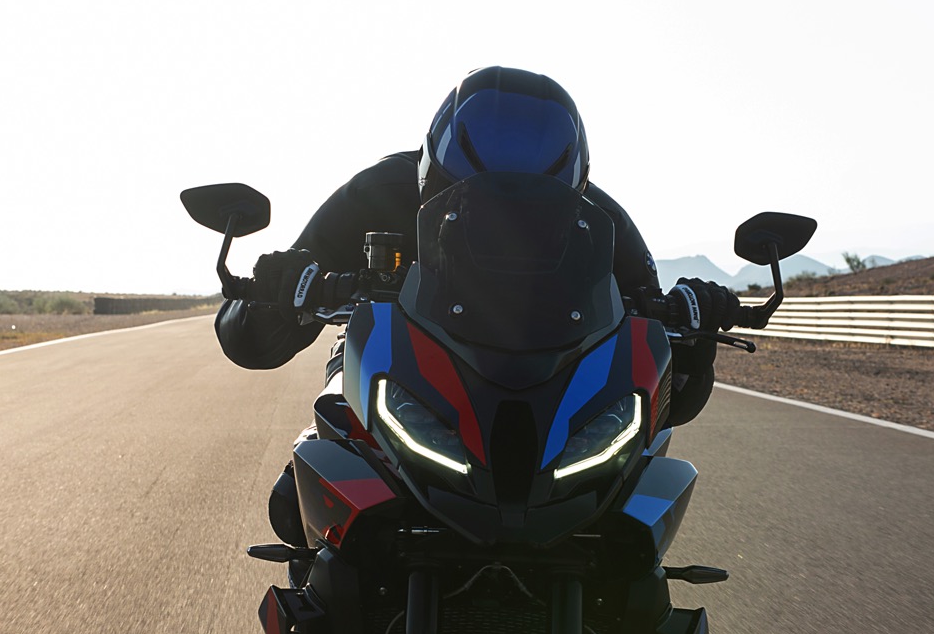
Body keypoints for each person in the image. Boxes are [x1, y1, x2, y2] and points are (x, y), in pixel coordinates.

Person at [215, 67, 748, 543]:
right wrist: (278, 288)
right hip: (392, 358)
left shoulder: (604, 222)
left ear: (571, 189)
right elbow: (248, 341)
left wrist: (693, 326)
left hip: (556, 379)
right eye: (471, 196)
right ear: (432, 175)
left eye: (531, 207)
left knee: (635, 484)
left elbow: (660, 369)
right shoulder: (373, 193)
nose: (507, 223)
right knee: (302, 493)